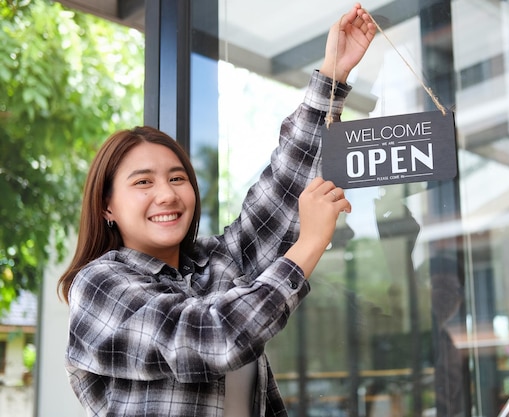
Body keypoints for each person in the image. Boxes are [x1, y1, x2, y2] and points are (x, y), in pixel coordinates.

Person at [56, 4, 376, 417]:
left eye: (177, 178)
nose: (167, 195)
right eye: (142, 182)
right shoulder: (99, 286)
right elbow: (213, 337)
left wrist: (332, 76)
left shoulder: (217, 266)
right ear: (107, 206)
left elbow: (285, 187)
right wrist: (309, 246)